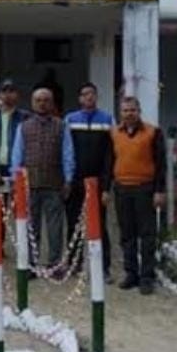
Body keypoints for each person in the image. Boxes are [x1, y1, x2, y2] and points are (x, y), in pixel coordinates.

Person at [11, 86, 75, 279]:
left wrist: (68, 179)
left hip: (54, 184)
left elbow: (68, 154)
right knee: (31, 227)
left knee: (55, 227)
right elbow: (17, 156)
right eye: (38, 100)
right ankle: (31, 264)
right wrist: (16, 181)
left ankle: (55, 265)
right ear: (32, 103)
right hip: (29, 185)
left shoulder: (62, 126)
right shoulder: (24, 127)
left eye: (46, 100)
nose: (42, 104)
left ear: (52, 103)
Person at [110, 96, 166, 295]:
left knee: (147, 235)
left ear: (139, 111)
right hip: (122, 189)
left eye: (132, 110)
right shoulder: (114, 133)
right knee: (127, 235)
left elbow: (161, 164)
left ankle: (147, 277)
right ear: (120, 113)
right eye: (125, 110)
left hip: (145, 189)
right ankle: (131, 274)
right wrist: (106, 188)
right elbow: (109, 161)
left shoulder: (153, 132)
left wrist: (159, 190)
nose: (129, 114)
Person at [63, 82, 114, 281]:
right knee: (73, 222)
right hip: (76, 181)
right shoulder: (70, 120)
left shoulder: (107, 120)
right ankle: (74, 264)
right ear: (79, 99)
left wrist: (106, 185)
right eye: (84, 94)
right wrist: (68, 179)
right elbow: (66, 151)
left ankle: (103, 267)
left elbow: (110, 155)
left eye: (92, 93)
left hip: (98, 181)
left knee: (100, 224)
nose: (88, 97)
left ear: (96, 96)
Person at [0, 79, 29, 182]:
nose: (7, 95)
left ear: (18, 95)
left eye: (11, 91)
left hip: (19, 167)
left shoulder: (25, 118)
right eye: (4, 91)